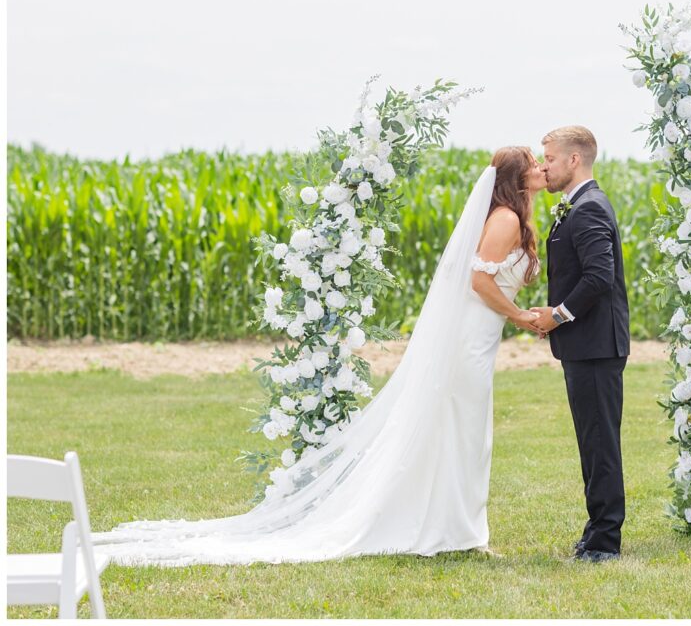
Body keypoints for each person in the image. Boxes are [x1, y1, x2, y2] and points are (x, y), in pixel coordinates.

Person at [91, 147, 547, 566]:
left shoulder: (507, 216)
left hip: (476, 339)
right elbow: (479, 282)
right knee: (463, 431)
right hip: (468, 342)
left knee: (461, 432)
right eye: (532, 163)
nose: (540, 168)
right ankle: (456, 529)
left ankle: (457, 526)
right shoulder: (505, 218)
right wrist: (521, 318)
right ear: (516, 177)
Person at [529, 125, 631, 563]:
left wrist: (558, 315)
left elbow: (598, 277)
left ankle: (606, 541)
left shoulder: (587, 208)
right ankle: (596, 531)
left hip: (595, 344)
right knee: (592, 441)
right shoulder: (579, 205)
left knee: (600, 443)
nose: (542, 166)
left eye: (548, 158)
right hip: (587, 344)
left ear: (574, 160)